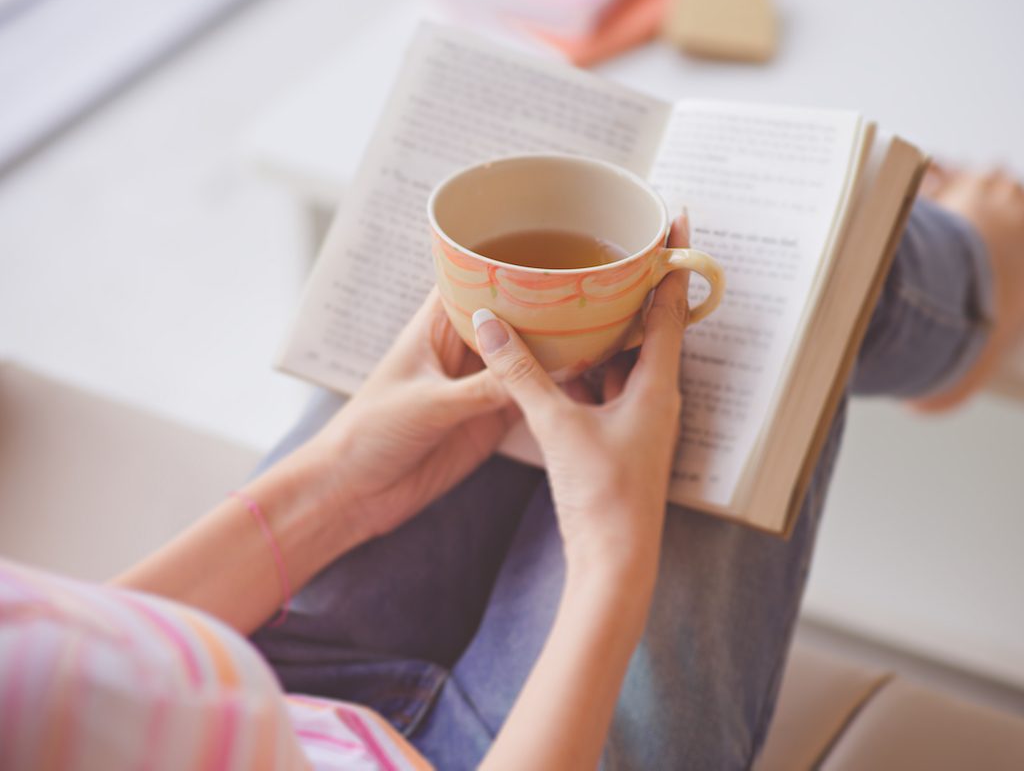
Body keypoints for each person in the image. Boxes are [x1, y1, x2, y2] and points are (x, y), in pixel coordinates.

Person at [1, 168, 1021, 770]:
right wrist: (609, 565)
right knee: (761, 279)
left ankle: (954, 288)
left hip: (267, 696)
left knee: (610, 239)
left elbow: (74, 656)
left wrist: (336, 483)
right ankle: (978, 280)